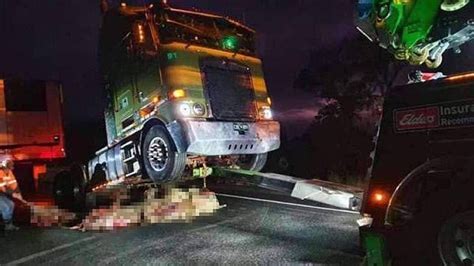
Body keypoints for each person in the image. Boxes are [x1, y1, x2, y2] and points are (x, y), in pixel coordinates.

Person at [0, 157, 24, 231]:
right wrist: (13, 194)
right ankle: (7, 225)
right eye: (10, 165)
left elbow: (14, 184)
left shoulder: (9, 173)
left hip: (1, 195)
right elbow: (2, 187)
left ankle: (8, 223)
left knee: (11, 204)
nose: (12, 167)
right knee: (5, 207)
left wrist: (19, 193)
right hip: (1, 193)